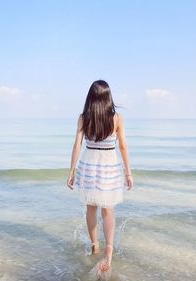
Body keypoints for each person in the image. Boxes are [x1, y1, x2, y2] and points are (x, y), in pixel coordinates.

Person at [67, 79, 134, 277]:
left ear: (91, 97)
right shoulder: (117, 118)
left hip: (88, 167)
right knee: (108, 210)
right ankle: (109, 252)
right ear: (108, 97)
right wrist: (128, 172)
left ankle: (95, 246)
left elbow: (77, 146)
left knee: (91, 208)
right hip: (109, 168)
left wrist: (71, 171)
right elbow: (123, 147)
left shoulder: (83, 118)